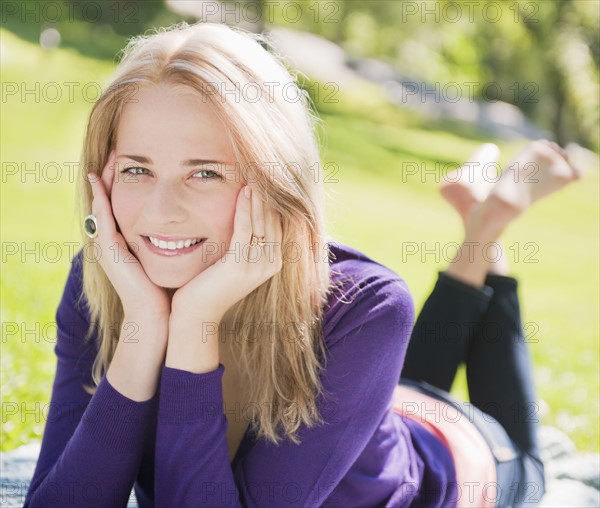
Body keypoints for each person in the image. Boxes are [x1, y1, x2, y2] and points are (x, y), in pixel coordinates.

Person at [23, 21, 580, 508]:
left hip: (456, 456)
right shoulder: (106, 281)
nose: (161, 212)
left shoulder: (367, 305)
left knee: (529, 464)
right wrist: (144, 327)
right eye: (138, 170)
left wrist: (194, 326)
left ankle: (487, 228)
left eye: (206, 172)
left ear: (275, 181)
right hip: (371, 407)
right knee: (403, 380)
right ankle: (482, 224)